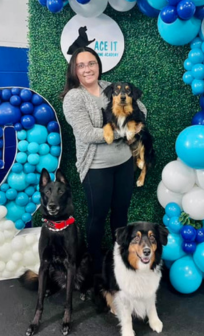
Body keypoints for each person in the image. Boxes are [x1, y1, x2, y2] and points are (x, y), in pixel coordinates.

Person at [61, 47, 147, 274]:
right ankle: (95, 263)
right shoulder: (74, 97)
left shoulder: (109, 87)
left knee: (121, 213)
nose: (87, 69)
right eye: (81, 65)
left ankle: (119, 259)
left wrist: (136, 124)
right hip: (96, 167)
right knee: (97, 216)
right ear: (74, 70)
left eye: (91, 63)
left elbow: (142, 108)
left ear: (98, 65)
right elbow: (87, 134)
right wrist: (124, 133)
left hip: (123, 163)